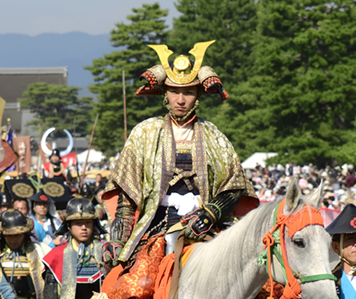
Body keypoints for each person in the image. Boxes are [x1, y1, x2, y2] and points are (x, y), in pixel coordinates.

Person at [105, 40, 257, 262]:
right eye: (174, 91)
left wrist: (210, 214)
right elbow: (128, 195)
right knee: (136, 286)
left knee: (253, 280)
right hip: (156, 223)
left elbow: (234, 187)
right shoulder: (144, 133)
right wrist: (117, 240)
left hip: (207, 223)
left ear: (198, 95)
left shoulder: (213, 135)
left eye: (188, 92)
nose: (181, 100)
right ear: (164, 94)